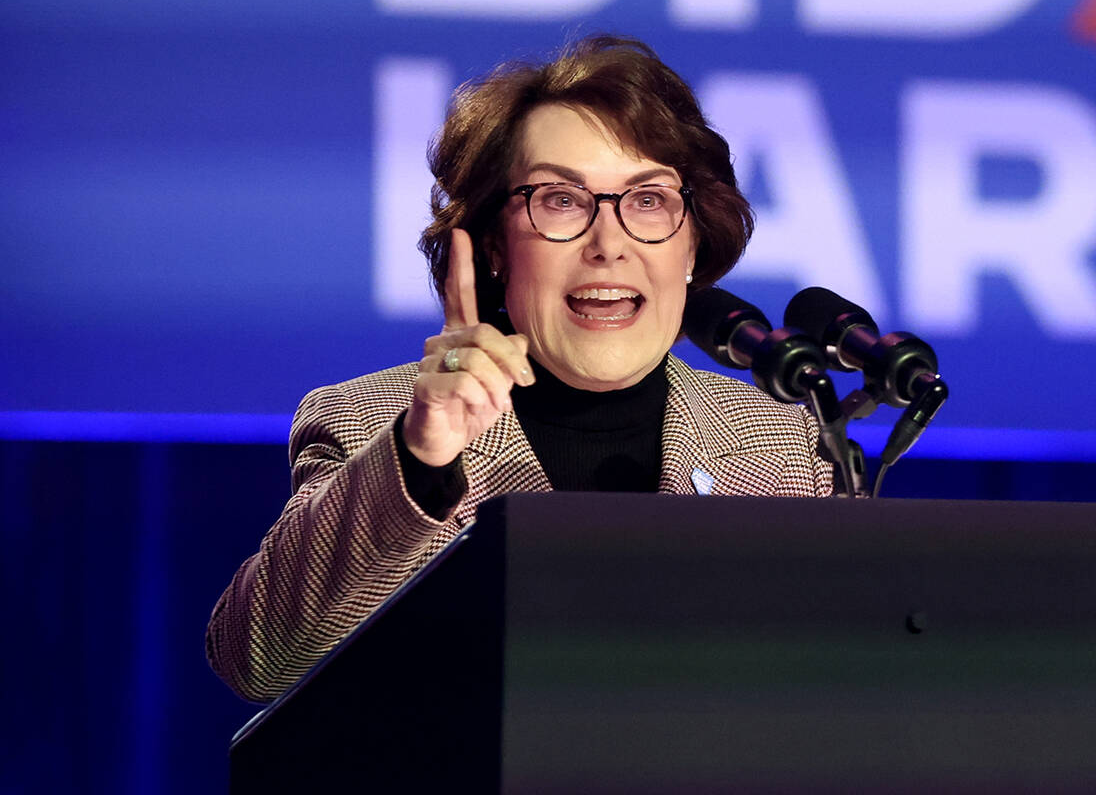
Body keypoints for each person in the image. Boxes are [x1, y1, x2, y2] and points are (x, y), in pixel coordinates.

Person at [206, 35, 833, 703]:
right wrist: (421, 457)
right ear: (495, 248)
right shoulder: (372, 426)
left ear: (692, 241)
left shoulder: (784, 453)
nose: (609, 246)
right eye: (561, 200)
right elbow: (259, 659)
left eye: (647, 201)